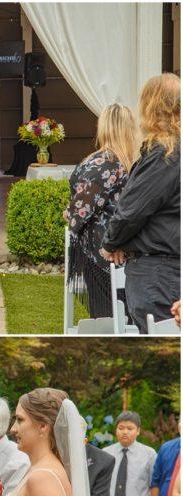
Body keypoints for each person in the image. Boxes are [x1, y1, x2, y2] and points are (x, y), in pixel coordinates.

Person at [101, 73, 181, 332]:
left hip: (159, 273)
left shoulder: (164, 154)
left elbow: (131, 212)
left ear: (151, 107)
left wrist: (111, 243)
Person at [65, 104, 138, 318]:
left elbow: (80, 209)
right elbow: (83, 207)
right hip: (108, 252)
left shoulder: (105, 161)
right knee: (115, 316)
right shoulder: (111, 162)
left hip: (106, 251)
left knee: (113, 315)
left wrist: (68, 213)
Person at [103, 411, 156, 496]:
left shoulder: (149, 455)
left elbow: (154, 486)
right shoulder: (106, 454)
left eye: (130, 428)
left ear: (138, 431)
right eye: (121, 428)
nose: (125, 432)